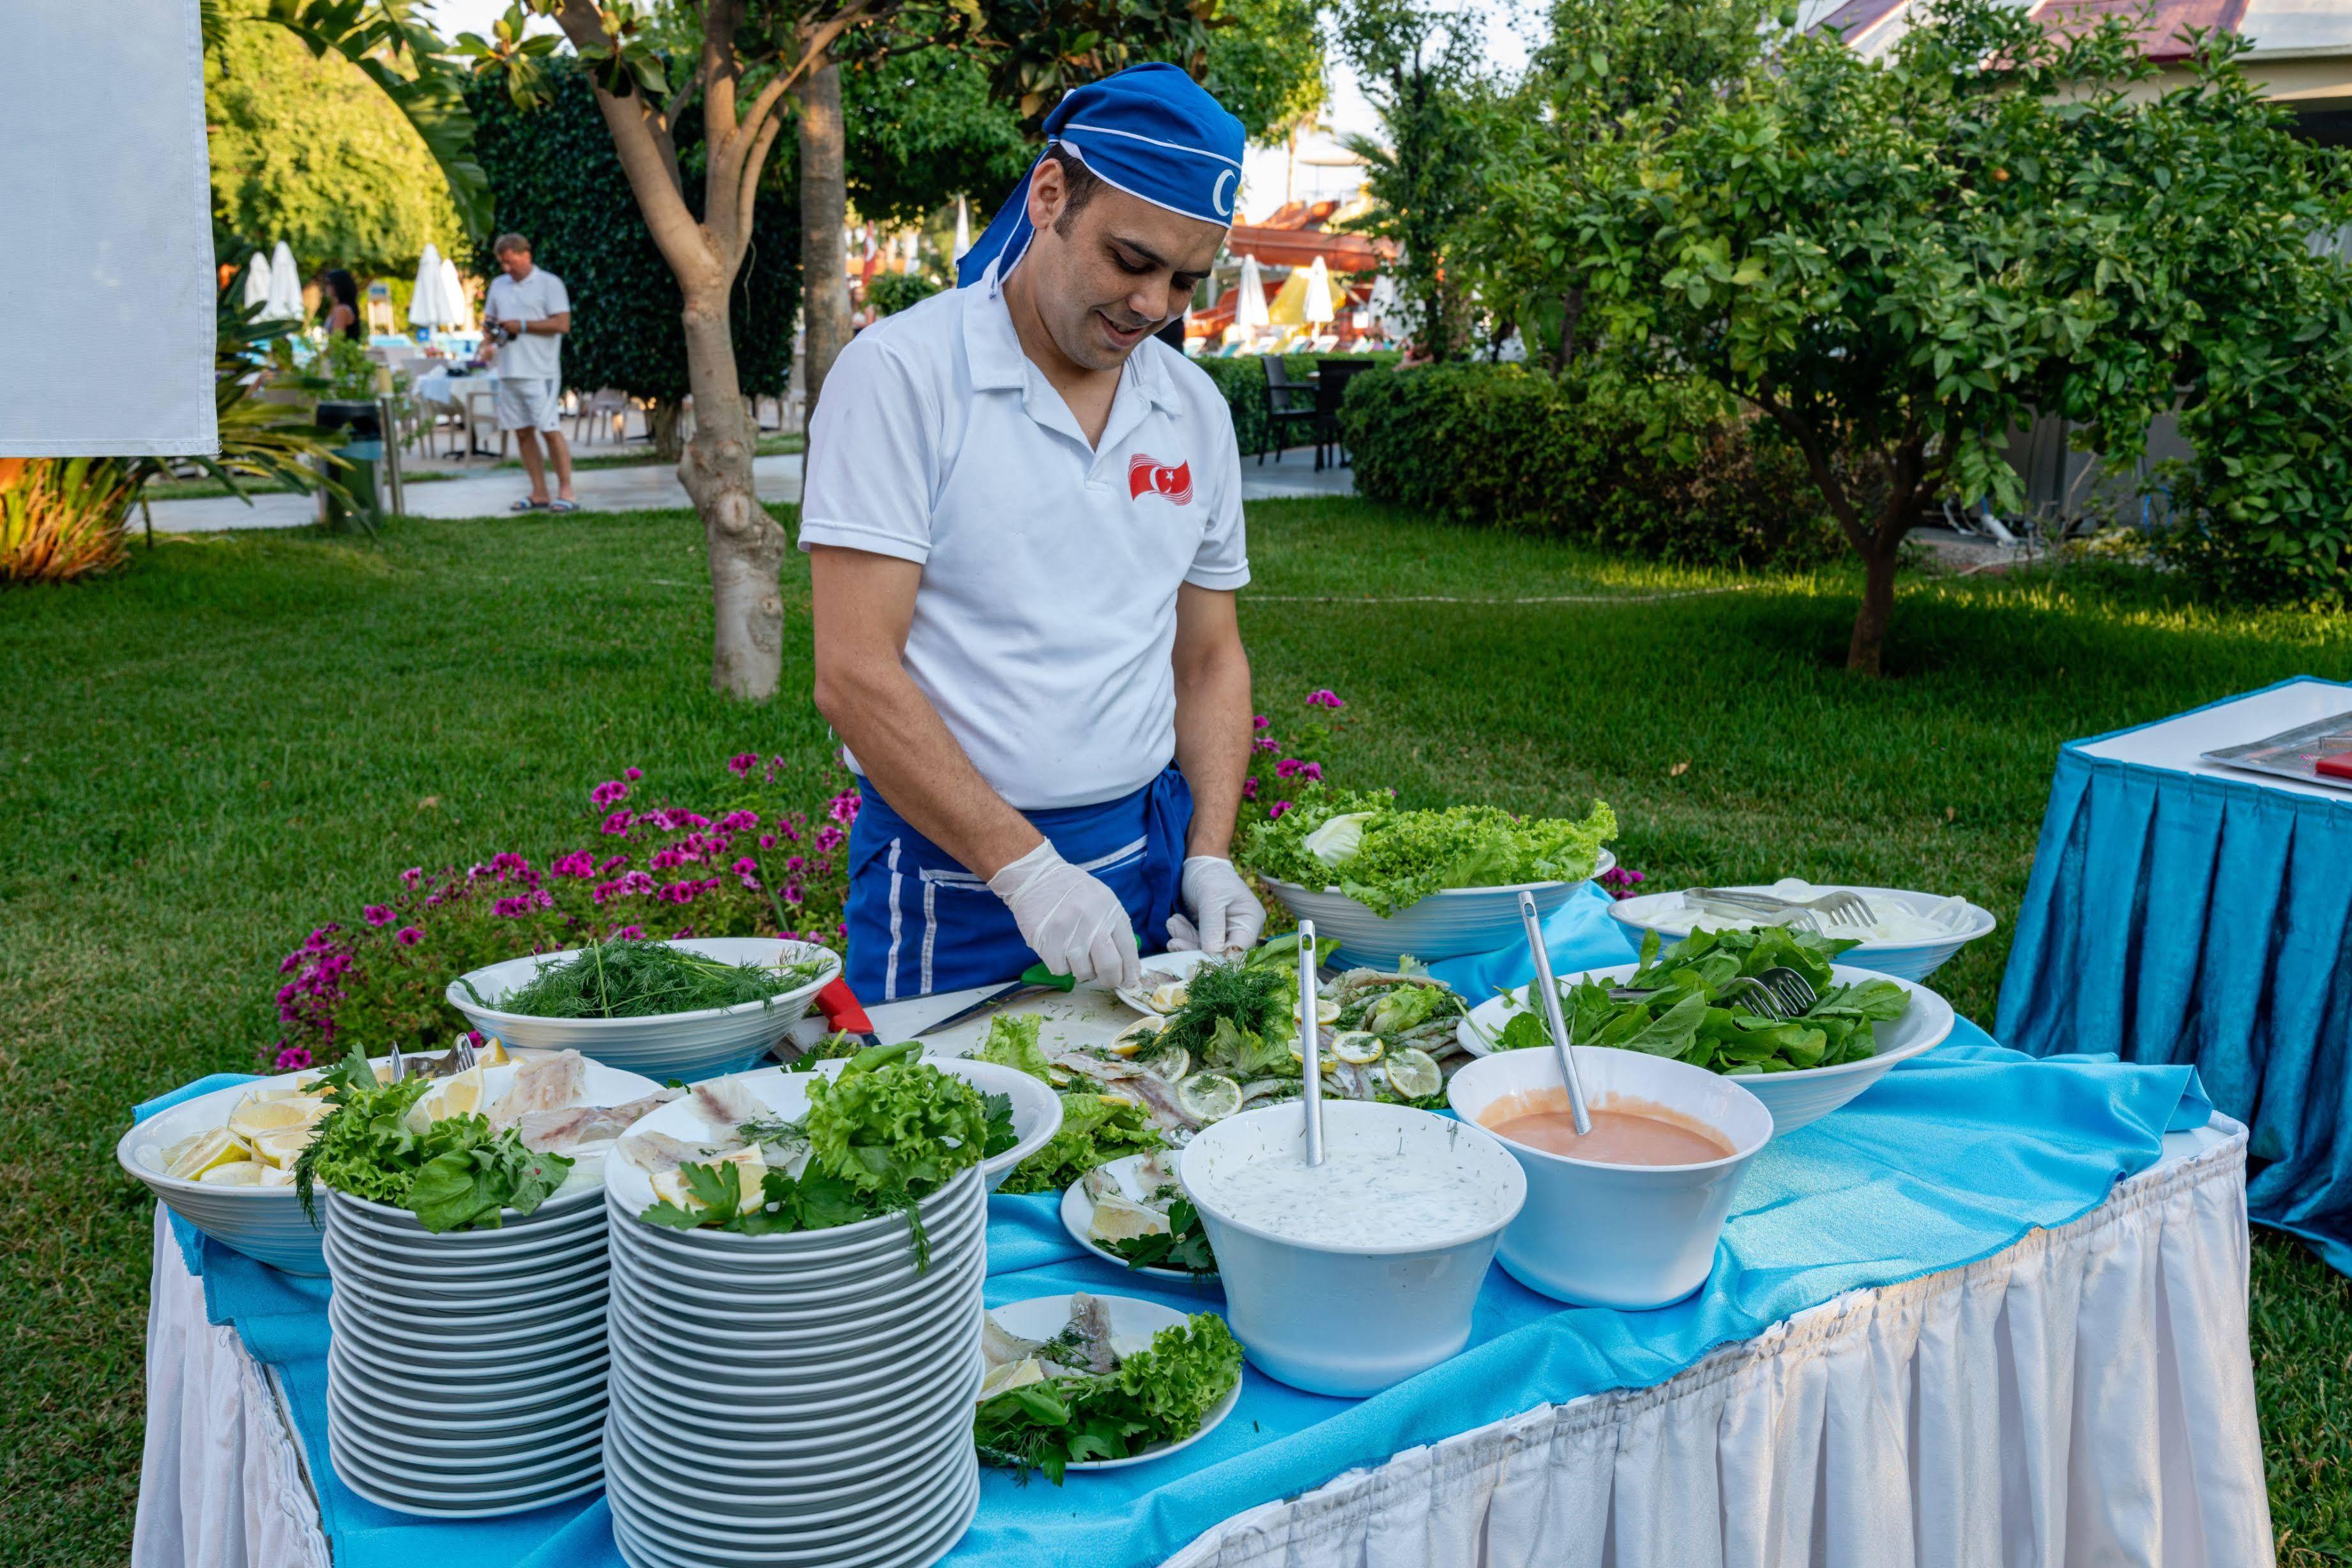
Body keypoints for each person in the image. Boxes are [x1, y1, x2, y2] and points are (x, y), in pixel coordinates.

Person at [802, 63, 1264, 1003]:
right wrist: (1026, 872)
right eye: (1130, 262)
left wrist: (1207, 856)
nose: (1153, 307)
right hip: (953, 881)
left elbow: (1207, 659)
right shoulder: (901, 376)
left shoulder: (1193, 410)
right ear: (1049, 195)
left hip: (1145, 865)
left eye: (1185, 281)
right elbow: (854, 672)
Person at [482, 233, 577, 513]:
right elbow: (489, 322)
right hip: (509, 371)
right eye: (502, 263)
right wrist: (487, 342)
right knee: (523, 433)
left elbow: (562, 324)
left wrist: (521, 325)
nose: (506, 269)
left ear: (526, 255)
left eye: (510, 262)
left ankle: (567, 491)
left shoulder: (550, 284)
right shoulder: (498, 286)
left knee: (550, 430)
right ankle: (539, 493)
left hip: (540, 372)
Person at [319, 269, 365, 343]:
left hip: (342, 354)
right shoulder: (336, 306)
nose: (326, 287)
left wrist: (320, 355)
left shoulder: (342, 310)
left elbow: (336, 341)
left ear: (338, 285)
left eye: (329, 283)